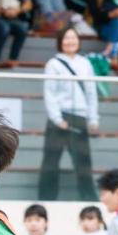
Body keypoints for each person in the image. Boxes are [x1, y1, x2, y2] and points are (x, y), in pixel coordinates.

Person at [39, 27, 98, 201]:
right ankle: (46, 200)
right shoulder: (53, 64)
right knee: (50, 162)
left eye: (73, 38)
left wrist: (93, 119)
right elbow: (50, 93)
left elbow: (91, 93)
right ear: (60, 41)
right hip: (59, 118)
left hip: (80, 117)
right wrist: (57, 119)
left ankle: (89, 200)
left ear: (79, 41)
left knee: (83, 162)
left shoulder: (85, 63)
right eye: (66, 38)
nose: (70, 41)